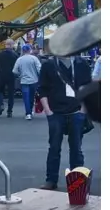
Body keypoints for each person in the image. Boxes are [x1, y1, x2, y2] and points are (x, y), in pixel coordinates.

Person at [37, 54, 92, 190]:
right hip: (55, 113)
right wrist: (48, 111)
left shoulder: (81, 64)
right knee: (54, 148)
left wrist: (83, 111)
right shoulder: (48, 65)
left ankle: (78, 181)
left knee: (76, 149)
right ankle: (51, 180)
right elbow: (42, 89)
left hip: (76, 111)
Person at [12, 44, 42, 120]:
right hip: (34, 81)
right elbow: (39, 69)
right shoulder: (34, 59)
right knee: (32, 97)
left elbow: (14, 71)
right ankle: (30, 111)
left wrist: (20, 75)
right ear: (30, 50)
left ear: (23, 51)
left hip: (24, 81)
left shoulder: (19, 59)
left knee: (26, 98)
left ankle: (28, 113)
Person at [0, 38, 19, 117]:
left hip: (1, 75)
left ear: (5, 45)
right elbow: (17, 67)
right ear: (11, 45)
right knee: (11, 94)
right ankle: (9, 111)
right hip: (11, 76)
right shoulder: (15, 55)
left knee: (0, 91)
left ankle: (1, 105)